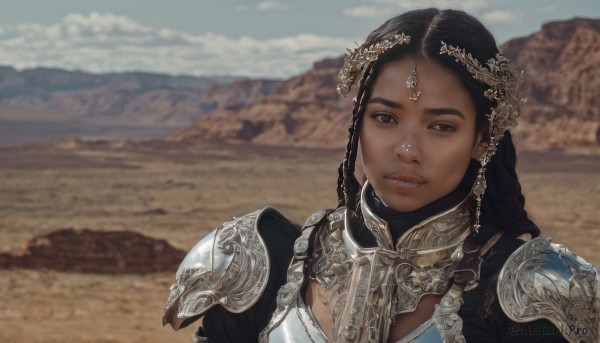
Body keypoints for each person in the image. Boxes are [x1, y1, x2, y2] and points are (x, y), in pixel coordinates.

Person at [162, 8, 599, 343]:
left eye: (441, 126)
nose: (407, 150)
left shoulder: (535, 292)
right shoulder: (257, 261)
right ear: (358, 124)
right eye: (385, 118)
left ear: (482, 140)